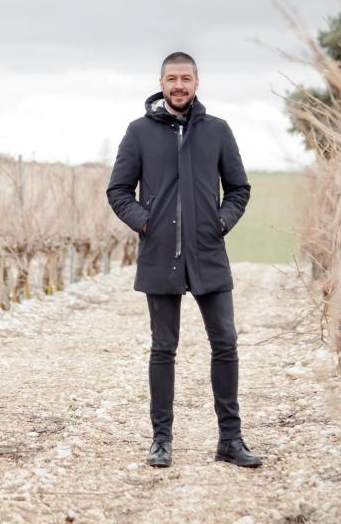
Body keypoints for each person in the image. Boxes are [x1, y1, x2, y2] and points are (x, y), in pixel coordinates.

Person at [106, 52, 261, 468]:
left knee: (225, 344)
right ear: (161, 82)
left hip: (209, 254)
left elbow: (239, 188)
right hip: (160, 255)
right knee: (163, 348)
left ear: (197, 83)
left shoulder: (218, 131)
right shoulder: (138, 132)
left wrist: (220, 222)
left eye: (186, 78)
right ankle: (161, 440)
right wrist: (146, 223)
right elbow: (118, 190)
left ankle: (230, 439)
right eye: (172, 78)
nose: (179, 85)